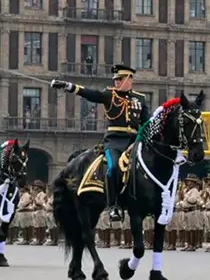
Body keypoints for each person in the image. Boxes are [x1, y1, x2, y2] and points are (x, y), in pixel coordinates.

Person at [51, 64, 149, 222]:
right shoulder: (109, 95)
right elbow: (90, 94)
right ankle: (114, 206)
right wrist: (69, 86)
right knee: (113, 168)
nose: (116, 82)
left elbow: (147, 122)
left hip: (134, 142)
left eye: (120, 79)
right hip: (115, 142)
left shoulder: (140, 99)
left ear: (129, 79)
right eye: (115, 79)